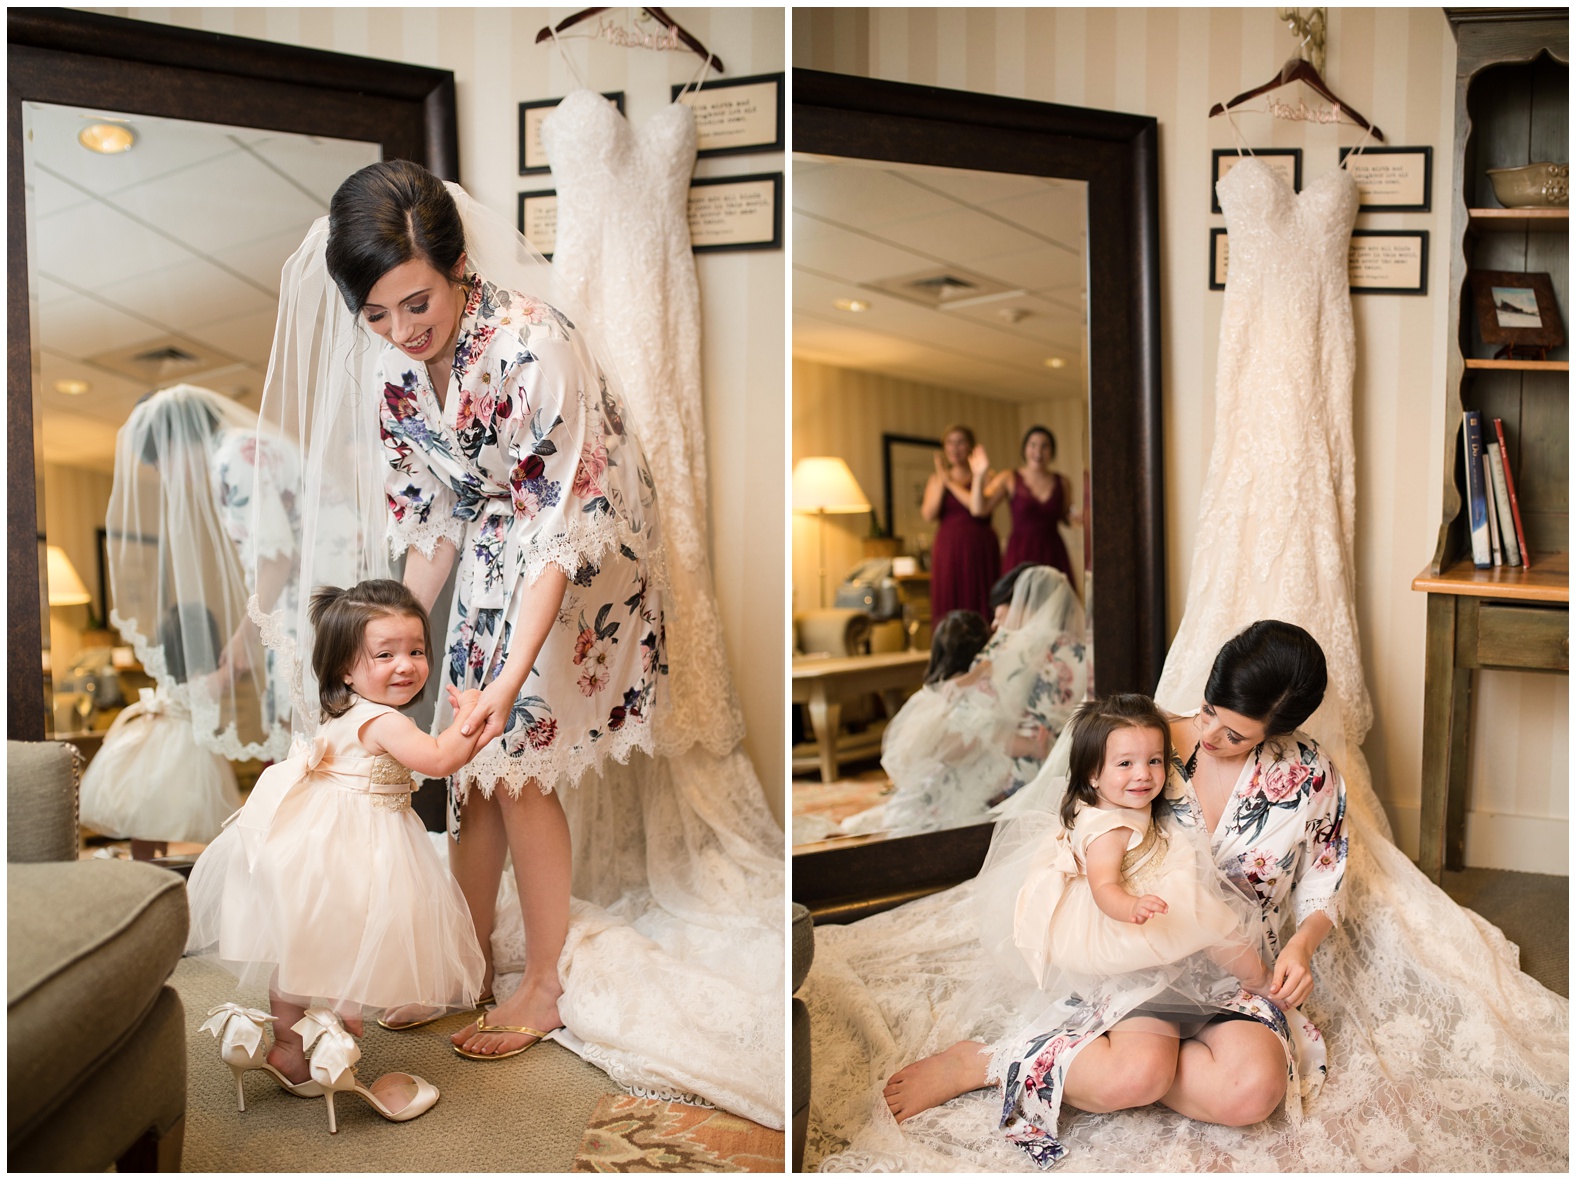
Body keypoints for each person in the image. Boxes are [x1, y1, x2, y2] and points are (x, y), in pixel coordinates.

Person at [876, 621, 1344, 1168]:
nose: (1212, 735)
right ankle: (991, 1062)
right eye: (1209, 709)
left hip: (1235, 963)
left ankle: (1122, 1063)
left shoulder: (1309, 773)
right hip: (1139, 959)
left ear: (1278, 731)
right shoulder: (1142, 742)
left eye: (1236, 735)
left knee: (1251, 1093)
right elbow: (1073, 826)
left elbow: (1323, 877)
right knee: (1136, 1075)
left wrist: (1302, 946)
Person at [186, 579, 487, 1132]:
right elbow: (442, 760)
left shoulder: (346, 711)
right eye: (386, 653)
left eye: (417, 650)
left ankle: (290, 1049)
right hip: (357, 847)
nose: (407, 665)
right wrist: (475, 716)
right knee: (354, 936)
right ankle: (332, 1043)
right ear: (347, 668)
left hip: (316, 841)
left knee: (305, 942)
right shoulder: (387, 721)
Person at [1012, 693, 1270, 993]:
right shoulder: (1108, 832)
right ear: (1092, 774)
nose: (1143, 774)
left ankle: (1251, 976)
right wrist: (1131, 906)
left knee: (1206, 916)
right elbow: (1104, 888)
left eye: (1154, 760)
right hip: (1120, 904)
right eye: (1125, 763)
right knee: (1211, 920)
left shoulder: (1109, 799)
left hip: (1144, 873)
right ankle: (1258, 979)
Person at [841, 568, 1087, 838]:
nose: (998, 622)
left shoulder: (1010, 648)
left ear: (1025, 603)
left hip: (1013, 763)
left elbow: (981, 713)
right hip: (1056, 762)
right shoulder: (1079, 651)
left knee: (941, 782)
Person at [79, 603, 241, 857]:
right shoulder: (202, 683)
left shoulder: (168, 680)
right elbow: (231, 675)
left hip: (152, 736)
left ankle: (145, 859)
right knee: (165, 808)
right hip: (183, 745)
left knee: (150, 808)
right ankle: (161, 863)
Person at [971, 426, 1079, 585]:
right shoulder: (1009, 478)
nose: (1038, 451)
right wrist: (979, 477)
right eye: (1033, 445)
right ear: (1025, 449)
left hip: (1053, 551)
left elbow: (1066, 516)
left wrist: (1077, 517)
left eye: (1044, 446)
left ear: (1052, 451)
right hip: (1020, 551)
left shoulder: (1063, 482)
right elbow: (978, 509)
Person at [924, 424, 1000, 621]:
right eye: (950, 443)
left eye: (960, 442)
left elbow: (978, 509)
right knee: (949, 594)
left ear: (970, 447)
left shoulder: (985, 476)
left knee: (979, 595)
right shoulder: (936, 479)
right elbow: (929, 514)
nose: (955, 448)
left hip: (979, 545)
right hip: (948, 547)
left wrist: (950, 483)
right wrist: (942, 481)